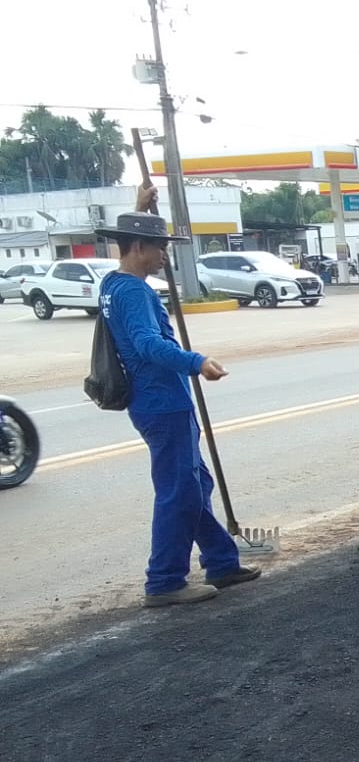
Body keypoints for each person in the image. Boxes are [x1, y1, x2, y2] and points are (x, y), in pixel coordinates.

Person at [97, 197, 261, 607]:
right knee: (178, 491)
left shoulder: (112, 284)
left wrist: (140, 208)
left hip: (155, 401)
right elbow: (148, 343)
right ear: (137, 247)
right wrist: (196, 361)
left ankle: (221, 561)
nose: (163, 256)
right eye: (159, 247)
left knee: (194, 483)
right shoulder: (134, 291)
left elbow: (137, 333)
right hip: (162, 402)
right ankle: (165, 580)